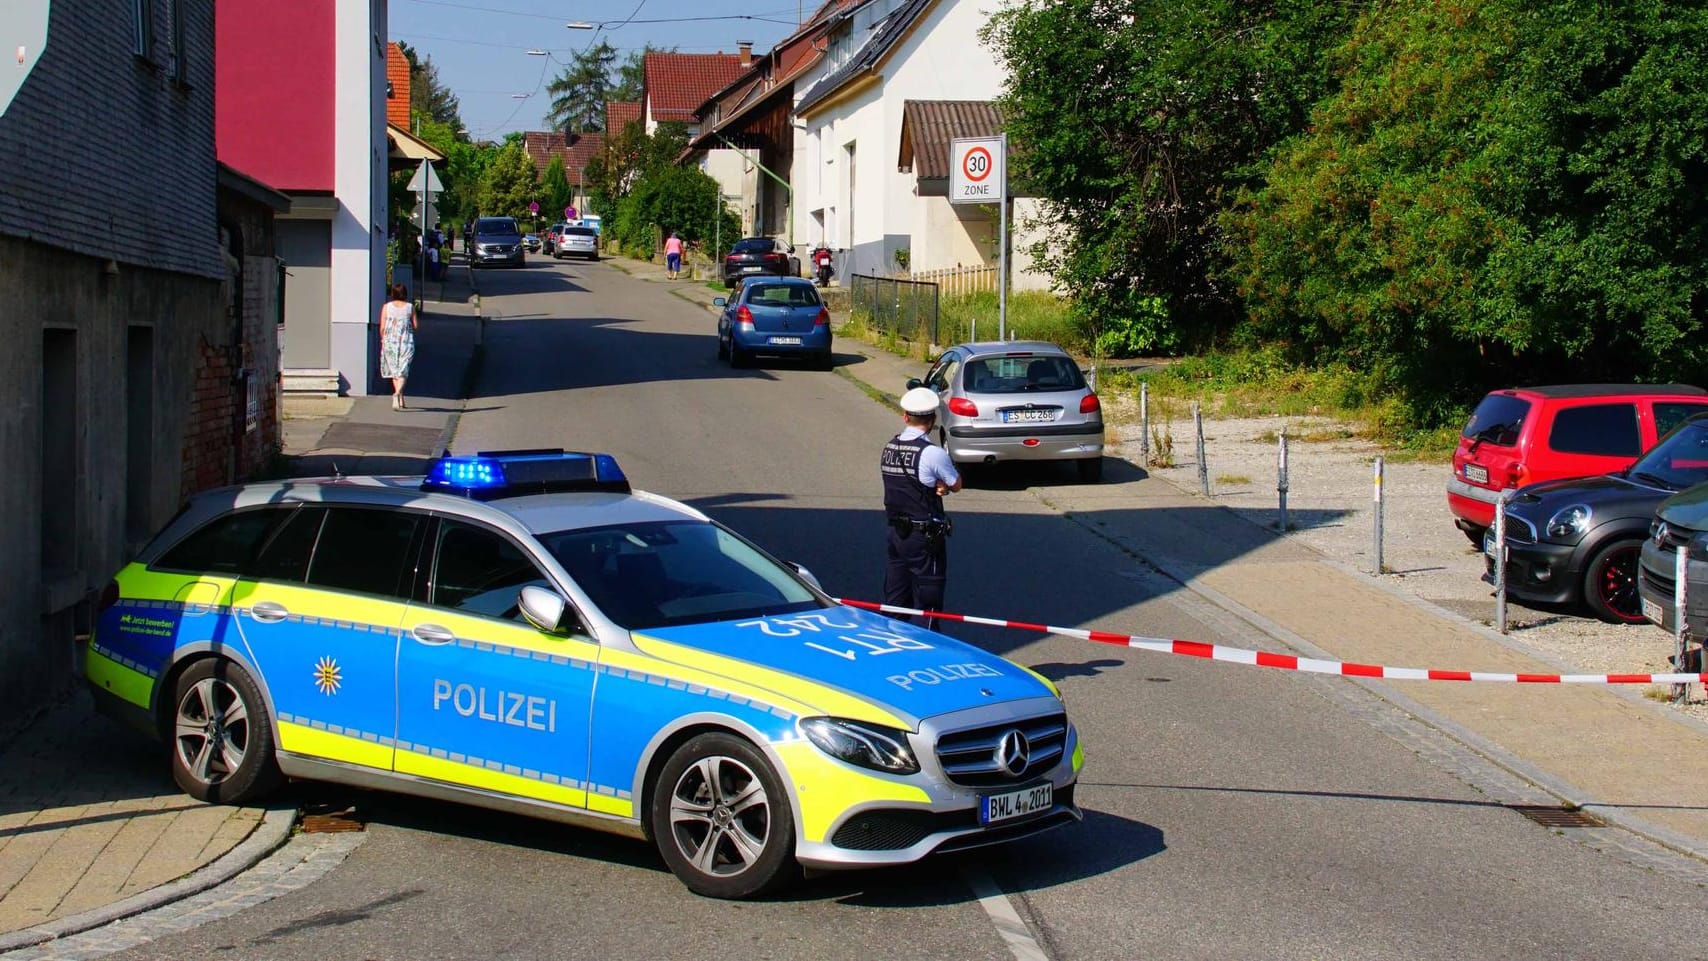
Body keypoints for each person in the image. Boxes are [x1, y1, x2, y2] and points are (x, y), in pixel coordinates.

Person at [881, 387, 963, 621]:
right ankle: (926, 649)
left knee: (896, 599)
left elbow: (907, 486)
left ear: (905, 417)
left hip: (896, 533)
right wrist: (941, 484)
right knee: (928, 603)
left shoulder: (890, 447)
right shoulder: (932, 453)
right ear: (933, 419)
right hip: (923, 537)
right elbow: (956, 483)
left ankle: (894, 646)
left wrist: (934, 484)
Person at [378, 283, 417, 410]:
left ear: (392, 294)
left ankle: (398, 396)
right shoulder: (410, 307)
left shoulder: (386, 307)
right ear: (405, 294)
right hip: (406, 342)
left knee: (395, 370)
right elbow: (416, 325)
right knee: (403, 370)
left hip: (389, 342)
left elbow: (382, 327)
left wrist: (384, 339)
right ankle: (398, 394)